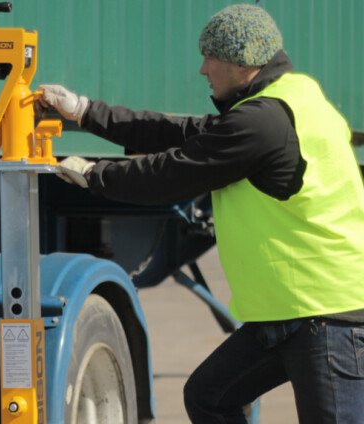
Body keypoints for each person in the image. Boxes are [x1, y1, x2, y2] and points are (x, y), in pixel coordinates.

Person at [36, 4, 364, 423]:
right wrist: (84, 111)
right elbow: (177, 132)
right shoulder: (284, 101)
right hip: (291, 313)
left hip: (326, 317)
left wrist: (94, 174)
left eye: (211, 57)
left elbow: (171, 174)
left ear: (242, 61)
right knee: (210, 396)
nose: (202, 70)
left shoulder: (263, 122)